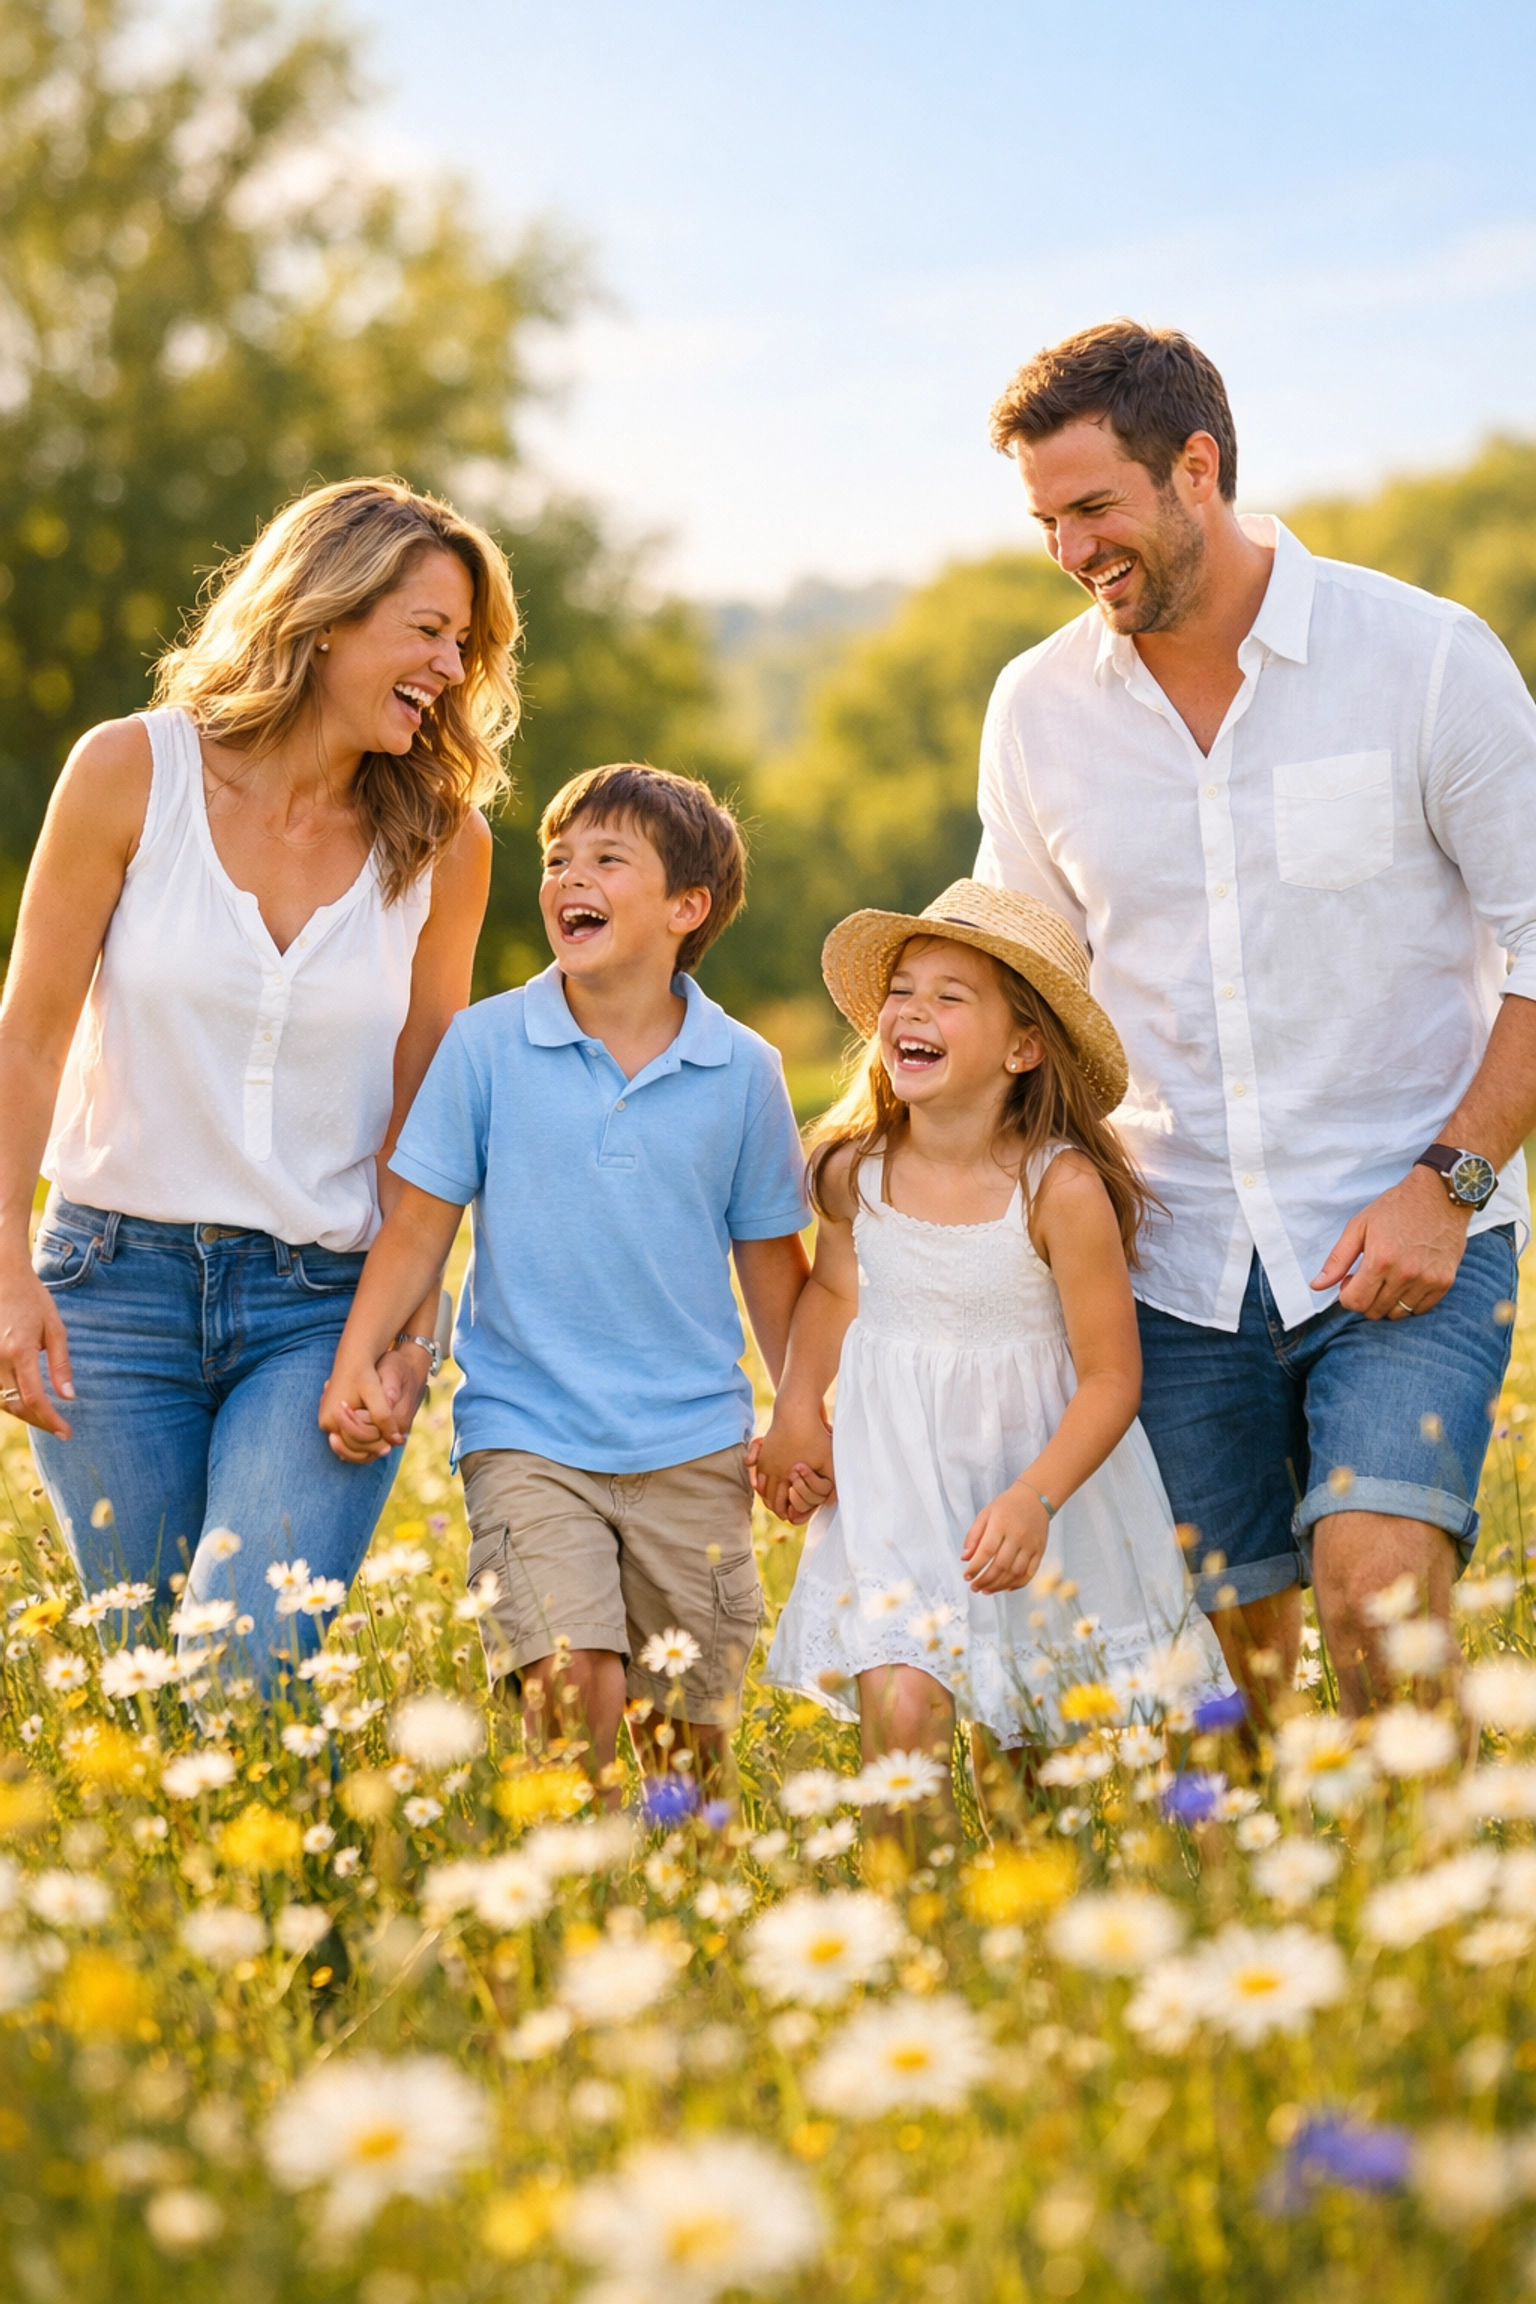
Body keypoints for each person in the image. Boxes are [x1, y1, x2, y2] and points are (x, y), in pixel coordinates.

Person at [976, 320, 1536, 1712]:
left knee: (1377, 1589)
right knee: (1252, 1689)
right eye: (1047, 520)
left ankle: (1441, 1915)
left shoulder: (1422, 659)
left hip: (1406, 1223)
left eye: (1095, 507)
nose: (1071, 550)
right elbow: (1018, 984)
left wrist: (1449, 1184)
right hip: (1168, 1262)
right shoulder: (1038, 709)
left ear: (1198, 468)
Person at [0, 477, 516, 1678]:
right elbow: (26, 1037)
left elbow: (425, 1112)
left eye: (465, 643)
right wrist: (4, 1269)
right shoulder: (130, 772)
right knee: (141, 1675)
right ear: (326, 614)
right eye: (428, 630)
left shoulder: (446, 840)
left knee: (248, 1672)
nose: (451, 667)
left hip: (319, 1304)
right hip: (108, 1291)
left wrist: (402, 1320)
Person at [320, 762, 811, 1786]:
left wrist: (807, 1411)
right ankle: (581, 1909)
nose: (565, 877)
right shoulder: (487, 1045)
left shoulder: (746, 1070)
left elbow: (773, 1270)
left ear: (688, 906)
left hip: (694, 1446)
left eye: (604, 859)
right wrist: (356, 1358)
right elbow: (416, 1226)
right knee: (566, 1682)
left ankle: (687, 1910)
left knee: (687, 1744)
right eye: (555, 860)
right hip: (527, 1434)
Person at [758, 881, 1227, 1772]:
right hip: (896, 1486)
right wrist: (792, 1411)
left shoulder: (1060, 1192)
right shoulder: (858, 1174)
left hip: (1029, 1491)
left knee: (1028, 1774)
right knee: (899, 1729)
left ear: (1023, 1047)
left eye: (949, 995)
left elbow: (1110, 1380)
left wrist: (1034, 1497)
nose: (911, 1010)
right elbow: (830, 1297)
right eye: (901, 990)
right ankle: (909, 1906)